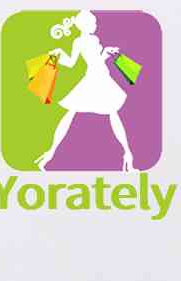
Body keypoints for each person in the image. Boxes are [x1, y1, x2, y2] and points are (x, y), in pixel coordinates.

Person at [36, 10, 134, 172]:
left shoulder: (94, 39)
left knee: (101, 113)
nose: (95, 25)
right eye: (93, 23)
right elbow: (71, 63)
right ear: (83, 25)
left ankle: (128, 155)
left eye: (95, 22)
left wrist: (105, 52)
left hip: (101, 75)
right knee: (99, 113)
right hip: (95, 77)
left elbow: (98, 60)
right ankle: (50, 153)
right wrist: (60, 54)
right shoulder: (78, 42)